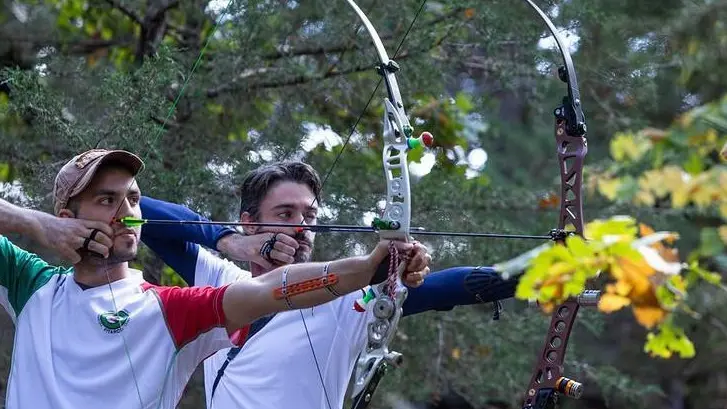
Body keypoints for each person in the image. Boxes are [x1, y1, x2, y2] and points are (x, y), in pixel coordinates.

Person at [0, 150, 431, 409]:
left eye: (132, 198)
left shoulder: (167, 309)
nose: (126, 212)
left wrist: (371, 266)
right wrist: (37, 225)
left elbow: (270, 290)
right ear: (67, 218)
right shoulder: (30, 283)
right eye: (106, 200)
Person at [139, 161, 518, 409]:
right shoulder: (222, 280)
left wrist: (536, 273)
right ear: (250, 223)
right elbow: (141, 213)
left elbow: (442, 289)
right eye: (286, 214)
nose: (302, 227)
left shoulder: (346, 296)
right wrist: (230, 241)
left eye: (310, 215)